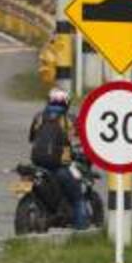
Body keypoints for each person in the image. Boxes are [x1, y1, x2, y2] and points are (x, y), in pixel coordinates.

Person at [28, 88, 88, 229]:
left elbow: (31, 138)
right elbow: (82, 138)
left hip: (37, 165)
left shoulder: (38, 117)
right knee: (78, 197)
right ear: (66, 103)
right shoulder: (70, 119)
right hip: (60, 167)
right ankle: (81, 233)